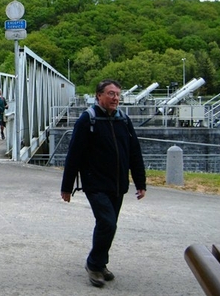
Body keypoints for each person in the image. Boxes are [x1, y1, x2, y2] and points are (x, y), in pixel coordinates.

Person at [60, 79, 146, 288]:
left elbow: (134, 152)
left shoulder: (123, 120)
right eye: (110, 94)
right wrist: (66, 186)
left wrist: (140, 182)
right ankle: (94, 265)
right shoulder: (87, 120)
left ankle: (100, 262)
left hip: (118, 185)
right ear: (99, 95)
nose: (115, 98)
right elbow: (74, 155)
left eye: (117, 94)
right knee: (107, 222)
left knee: (108, 225)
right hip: (95, 183)